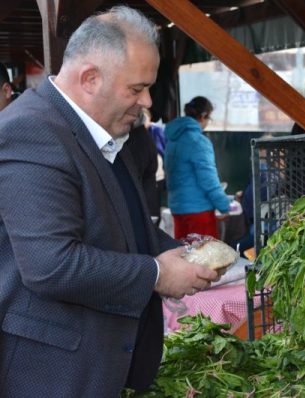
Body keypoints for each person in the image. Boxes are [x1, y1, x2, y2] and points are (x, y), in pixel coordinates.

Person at [0, 6, 221, 396]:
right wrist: (157, 274)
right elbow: (51, 265)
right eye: (136, 89)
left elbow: (123, 228)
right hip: (54, 376)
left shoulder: (105, 131)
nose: (148, 101)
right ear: (89, 78)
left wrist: (186, 255)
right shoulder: (32, 131)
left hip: (100, 366)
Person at [164, 96, 230, 239]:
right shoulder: (198, 142)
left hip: (177, 208)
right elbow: (208, 179)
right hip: (199, 211)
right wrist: (224, 205)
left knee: (184, 254)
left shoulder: (172, 141)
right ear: (204, 115)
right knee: (204, 258)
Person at [125, 110, 160, 221]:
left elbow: (134, 175)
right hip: (146, 204)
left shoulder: (137, 140)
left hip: (143, 208)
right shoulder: (142, 137)